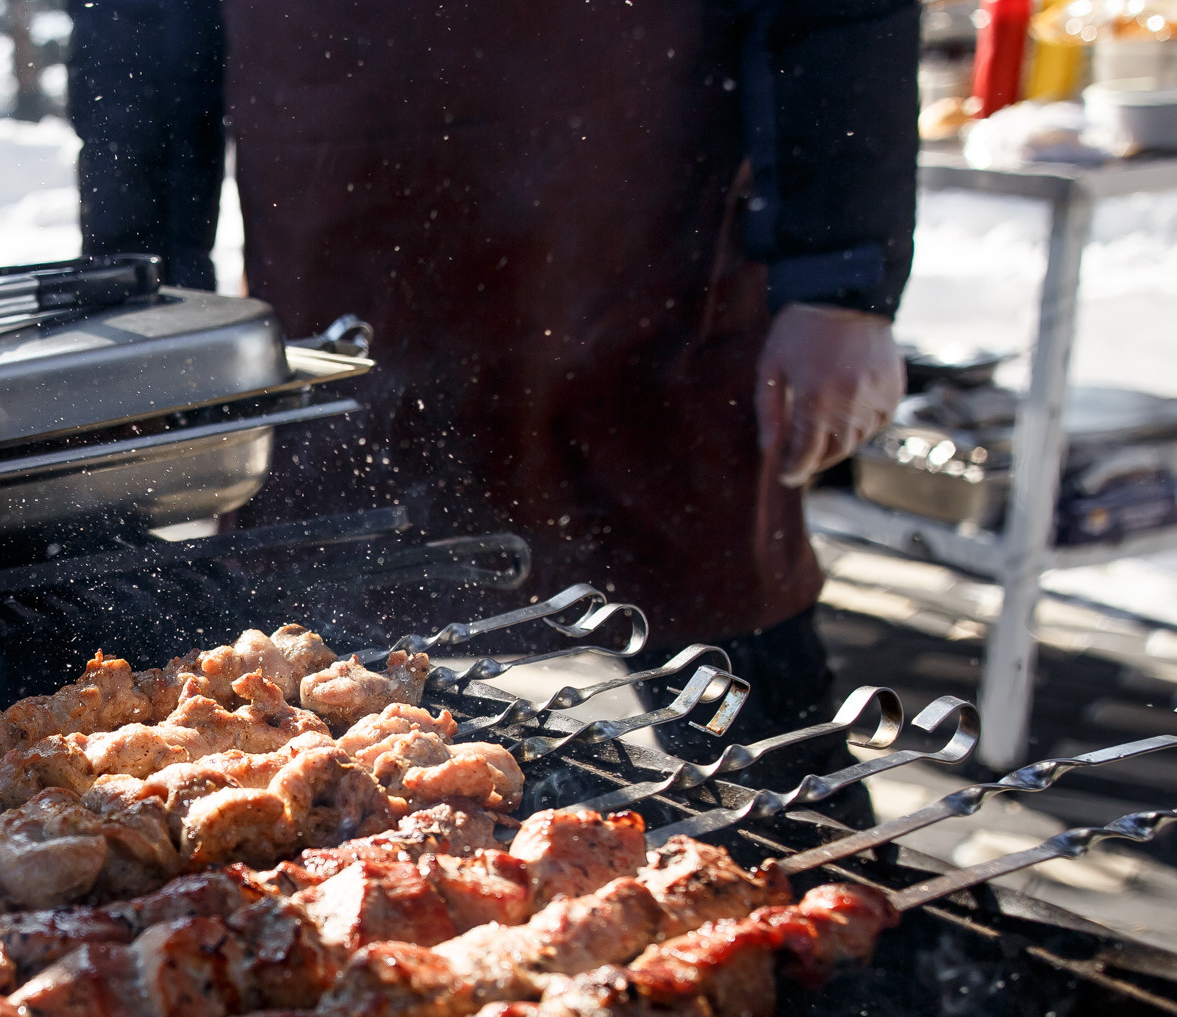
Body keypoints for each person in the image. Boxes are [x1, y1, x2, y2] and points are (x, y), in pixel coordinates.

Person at [224, 0, 916, 785]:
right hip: (342, 276)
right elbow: (141, 32)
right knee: (291, 735)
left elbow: (836, 16)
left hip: (656, 275)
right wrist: (138, 280)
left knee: (759, 743)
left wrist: (841, 281)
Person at [69, 0, 227, 291]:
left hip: (184, 71)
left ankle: (186, 320)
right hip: (121, 72)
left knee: (182, 250)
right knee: (121, 258)